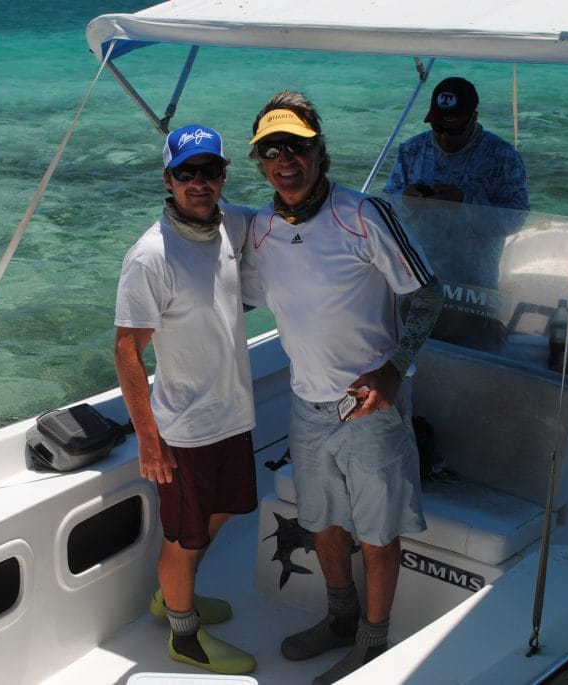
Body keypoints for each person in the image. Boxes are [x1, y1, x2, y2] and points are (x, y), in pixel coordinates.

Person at [241, 91, 443, 685]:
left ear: (319, 151)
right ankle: (339, 618)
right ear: (259, 162)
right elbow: (234, 295)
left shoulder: (363, 215)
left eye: (296, 147)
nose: (284, 160)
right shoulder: (259, 231)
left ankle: (373, 645)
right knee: (321, 519)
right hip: (306, 404)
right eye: (271, 150)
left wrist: (395, 366)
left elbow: (429, 294)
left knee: (378, 532)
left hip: (369, 405)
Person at [113, 124, 257, 675]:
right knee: (183, 535)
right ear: (168, 179)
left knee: (222, 514)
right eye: (186, 173)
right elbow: (128, 352)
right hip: (186, 430)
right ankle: (182, 634)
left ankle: (171, 597)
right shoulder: (149, 256)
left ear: (223, 175)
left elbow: (290, 221)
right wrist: (149, 440)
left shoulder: (232, 225)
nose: (199, 183)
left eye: (210, 171)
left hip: (234, 415)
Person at [383, 76, 529, 210]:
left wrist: (464, 202)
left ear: (474, 117)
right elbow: (387, 200)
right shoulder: (410, 150)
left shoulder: (503, 156)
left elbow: (517, 216)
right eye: (437, 127)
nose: (444, 136)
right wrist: (403, 198)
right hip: (412, 239)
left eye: (454, 129)